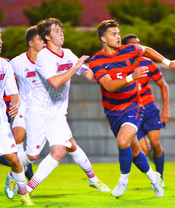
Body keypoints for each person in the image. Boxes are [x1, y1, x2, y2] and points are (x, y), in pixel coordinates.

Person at [89, 20, 175, 198]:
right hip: (112, 111)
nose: (118, 37)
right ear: (103, 38)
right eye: (113, 34)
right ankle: (154, 179)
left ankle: (122, 181)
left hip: (133, 106)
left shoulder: (129, 50)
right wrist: (131, 77)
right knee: (135, 152)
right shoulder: (96, 61)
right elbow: (109, 86)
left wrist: (168, 61)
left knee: (122, 141)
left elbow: (146, 49)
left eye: (118, 33)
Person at [13, 18, 110, 195]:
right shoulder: (43, 57)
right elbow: (56, 82)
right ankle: (13, 171)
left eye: (61, 30)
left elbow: (86, 72)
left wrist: (105, 78)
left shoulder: (67, 53)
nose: (61, 33)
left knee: (59, 151)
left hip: (57, 114)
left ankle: (26, 190)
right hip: (37, 113)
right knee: (32, 155)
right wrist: (75, 67)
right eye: (56, 31)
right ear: (47, 37)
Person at [122, 34, 169, 187]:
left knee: (156, 143)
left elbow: (163, 85)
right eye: (133, 44)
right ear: (125, 48)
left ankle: (160, 177)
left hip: (149, 108)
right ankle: (152, 173)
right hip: (132, 111)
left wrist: (165, 110)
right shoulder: (120, 65)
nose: (138, 47)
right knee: (144, 150)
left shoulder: (148, 63)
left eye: (139, 44)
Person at [0, 32, 34, 205]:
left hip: (1, 123)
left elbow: (13, 93)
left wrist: (14, 103)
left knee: (14, 160)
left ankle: (24, 194)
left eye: (0, 38)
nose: (0, 42)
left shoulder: (4, 65)